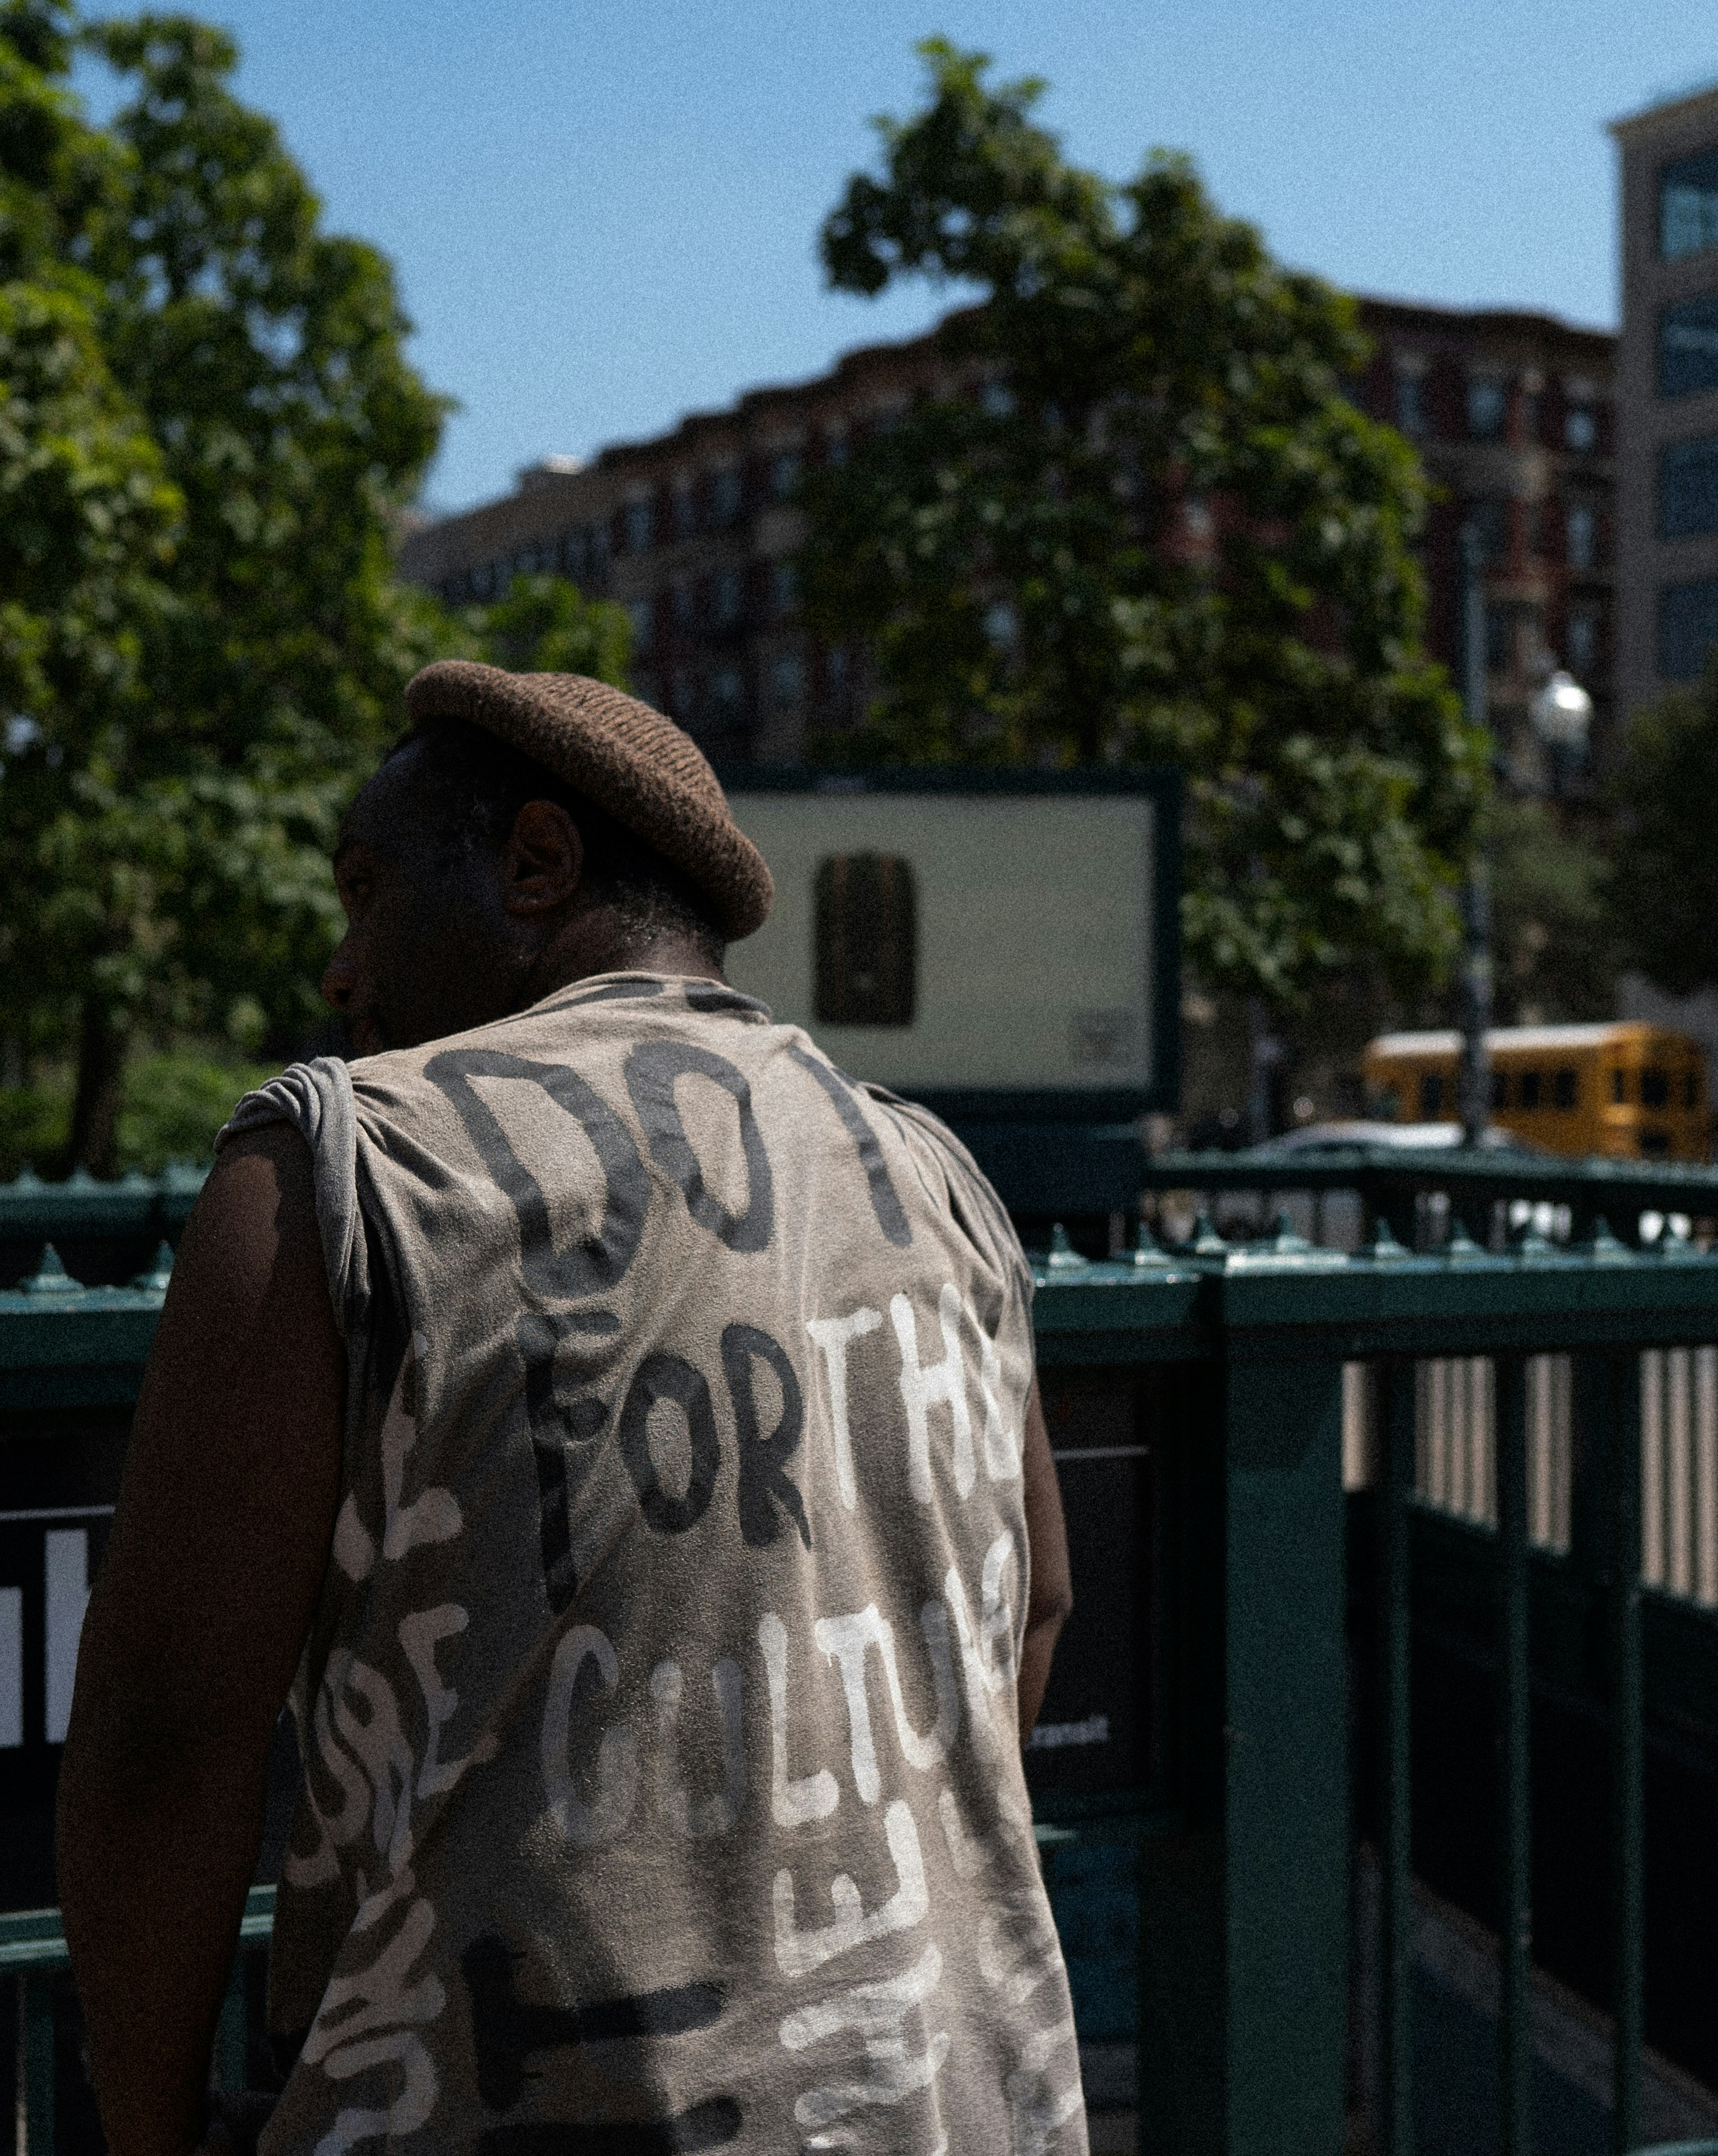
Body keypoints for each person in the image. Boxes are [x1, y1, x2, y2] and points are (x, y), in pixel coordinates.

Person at [59, 662, 1083, 2155]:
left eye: (366, 890)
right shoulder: (931, 1175)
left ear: (534, 863)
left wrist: (147, 2129)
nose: (341, 967)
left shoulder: (342, 1164)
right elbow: (1035, 1600)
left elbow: (164, 1726)